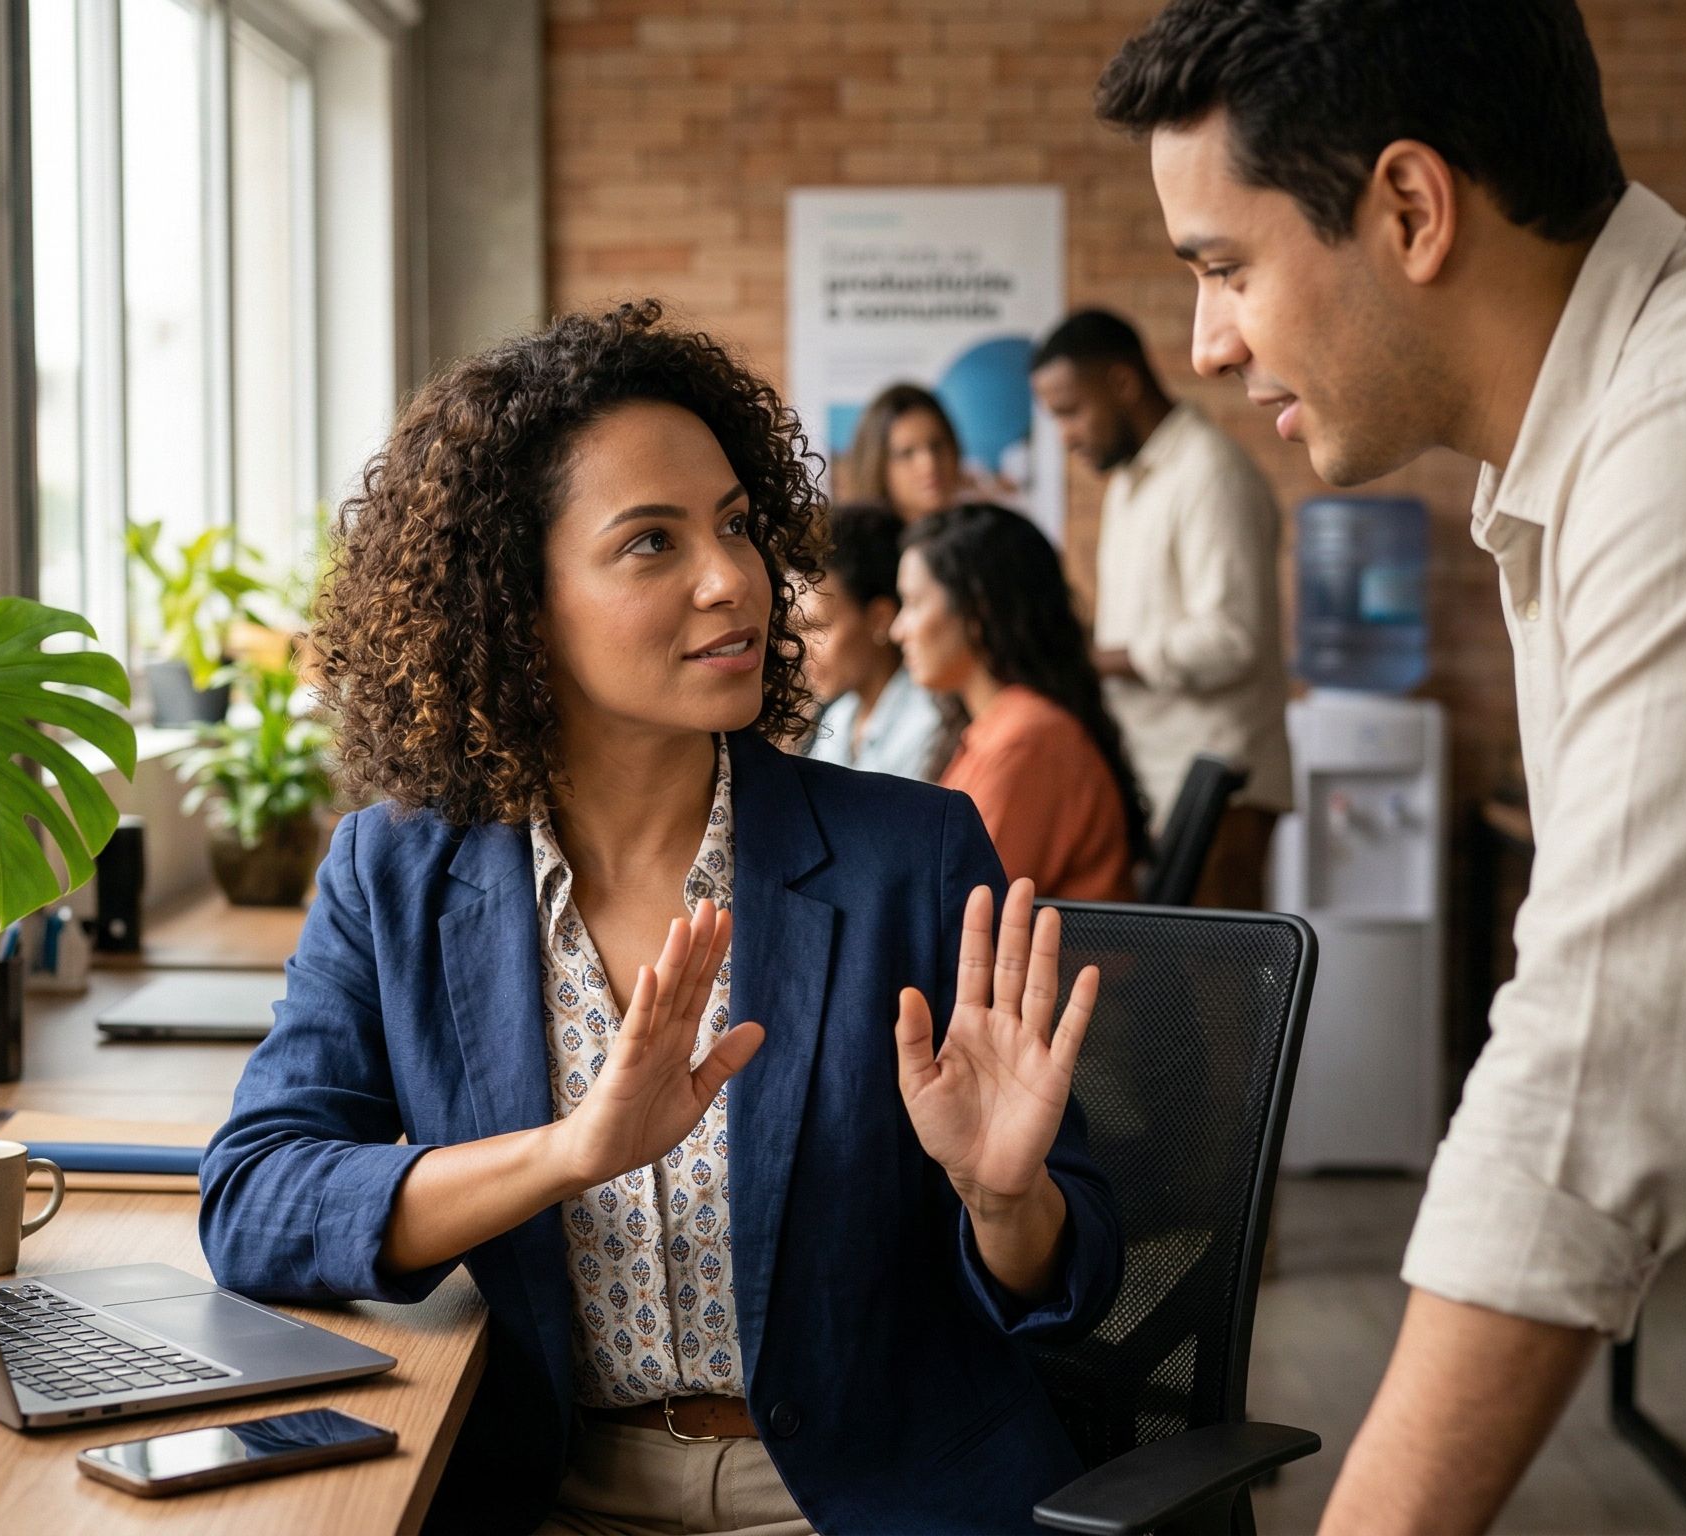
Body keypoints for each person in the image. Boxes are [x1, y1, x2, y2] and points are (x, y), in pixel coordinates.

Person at [1100, 3, 1686, 1534]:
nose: (1207, 340)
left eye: (1224, 266)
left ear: (1410, 207)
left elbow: (1597, 1076)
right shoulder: (1620, 437)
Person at [196, 301, 1122, 1536]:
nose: (734, 578)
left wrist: (1008, 1203)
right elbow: (254, 1200)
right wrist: (567, 1152)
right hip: (544, 1495)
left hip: (862, 1498)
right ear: (514, 602)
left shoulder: (910, 854)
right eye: (650, 543)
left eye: (737, 526)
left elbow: (1079, 1269)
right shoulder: (398, 873)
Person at [1032, 308, 1292, 909]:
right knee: (1185, 989)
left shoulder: (1210, 472)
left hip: (1222, 785)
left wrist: (1098, 661)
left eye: (1070, 411)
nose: (1065, 435)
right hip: (1160, 774)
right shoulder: (1129, 481)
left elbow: (1232, 638)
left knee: (1222, 987)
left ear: (1123, 383)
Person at [893, 503, 1152, 903]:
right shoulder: (1003, 727)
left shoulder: (1027, 740)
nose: (898, 630)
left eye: (913, 603)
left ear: (975, 611)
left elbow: (958, 910)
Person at [797, 501, 940, 779]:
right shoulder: (838, 719)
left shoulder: (929, 724)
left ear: (880, 619)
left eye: (819, 627)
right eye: (801, 628)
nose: (805, 647)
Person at [834, 382, 963, 523]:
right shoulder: (852, 541)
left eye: (937, 446)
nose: (929, 463)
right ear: (876, 465)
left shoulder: (981, 531)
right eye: (906, 453)